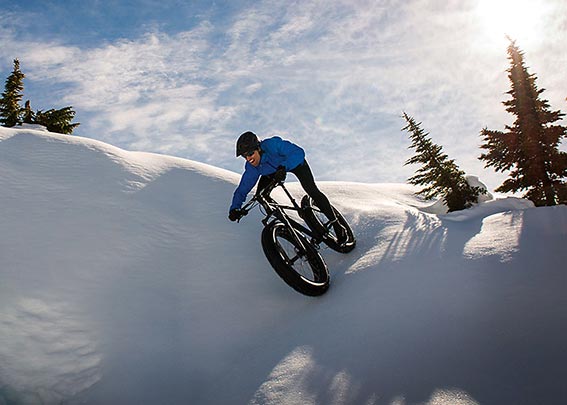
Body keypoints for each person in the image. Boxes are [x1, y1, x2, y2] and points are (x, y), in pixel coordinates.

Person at [228, 131, 346, 239]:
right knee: (261, 196)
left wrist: (284, 167)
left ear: (258, 148)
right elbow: (242, 189)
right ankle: (286, 224)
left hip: (295, 163)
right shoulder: (252, 167)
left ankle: (336, 224)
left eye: (250, 153)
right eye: (244, 156)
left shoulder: (272, 145)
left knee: (312, 190)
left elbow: (298, 152)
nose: (248, 158)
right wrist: (235, 208)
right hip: (272, 172)